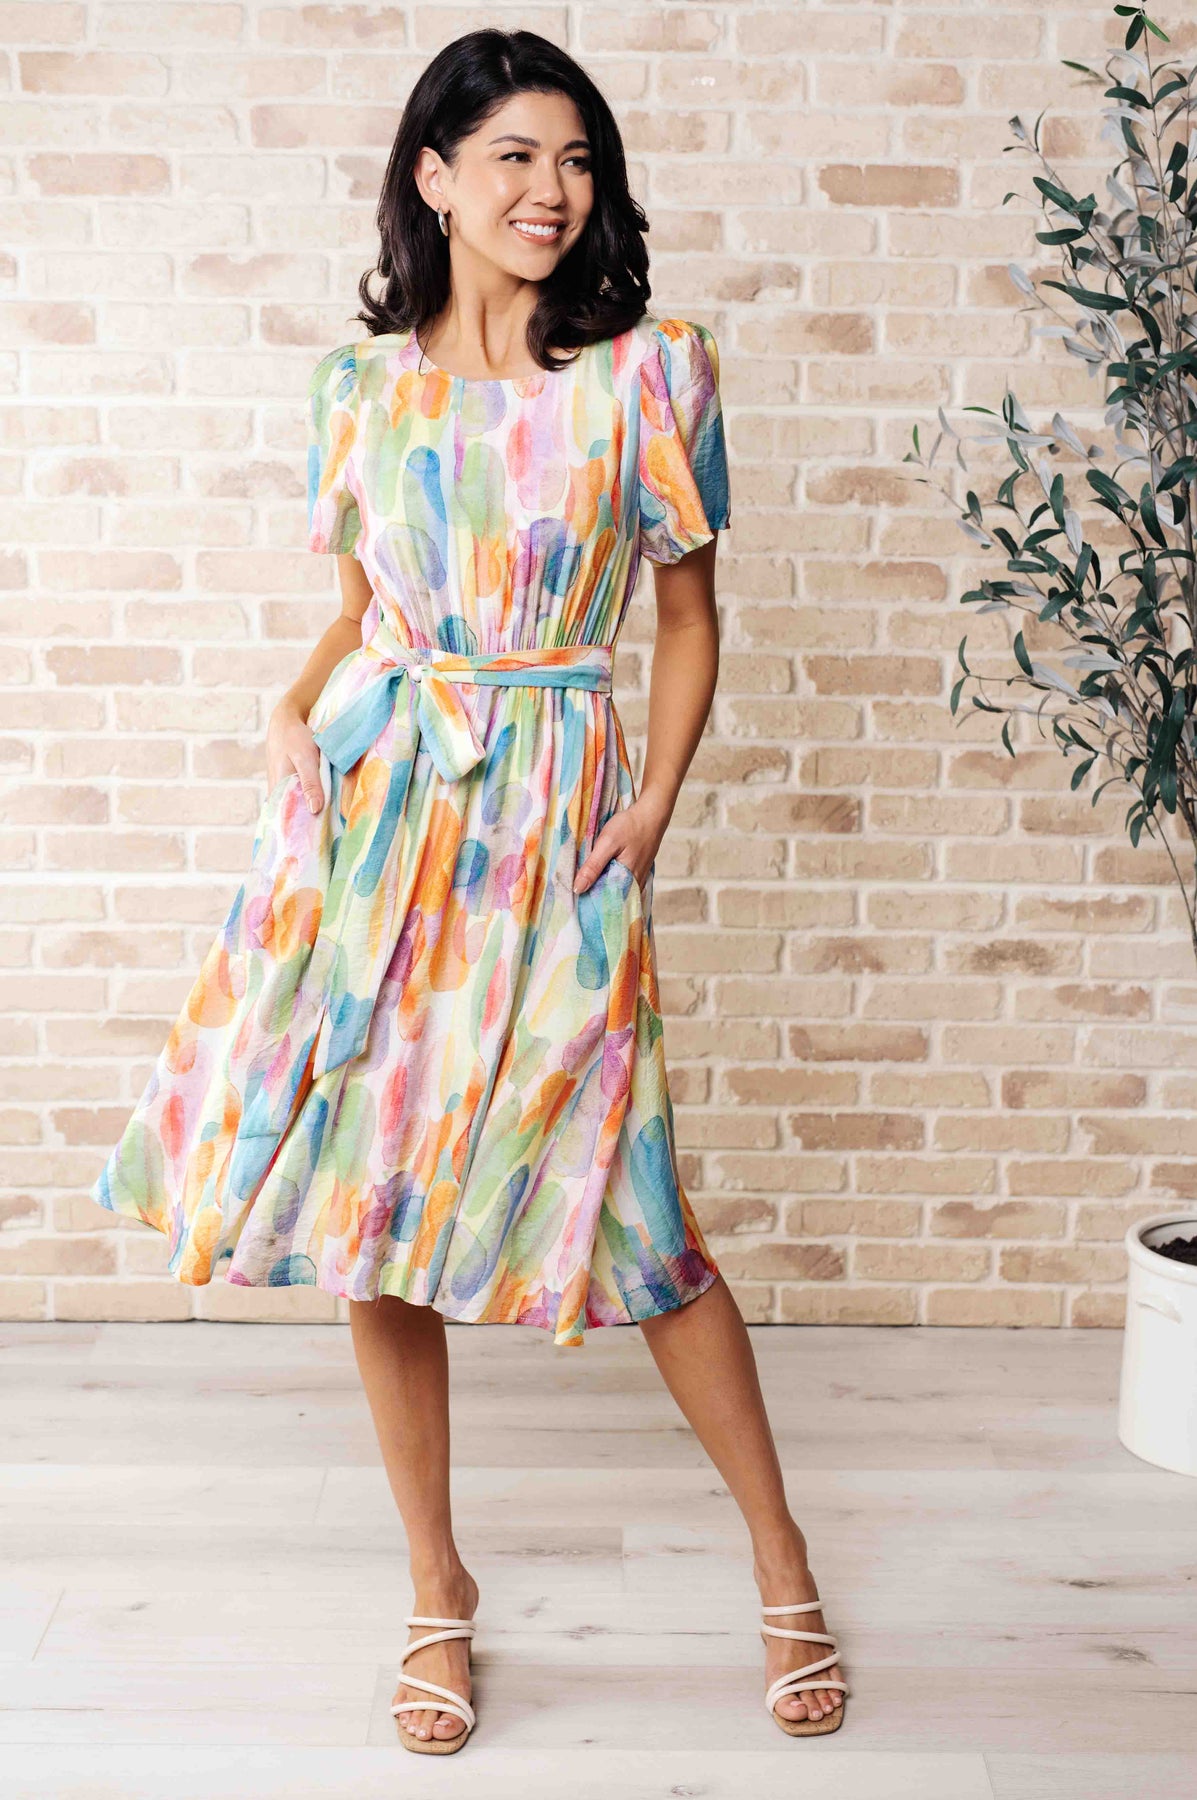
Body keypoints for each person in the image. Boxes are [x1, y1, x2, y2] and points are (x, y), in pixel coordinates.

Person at [89, 26, 848, 1754]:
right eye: (513, 156)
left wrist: (652, 807)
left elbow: (686, 618)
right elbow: (365, 617)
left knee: (638, 1211)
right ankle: (438, 1592)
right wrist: (287, 711)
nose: (550, 191)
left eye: (575, 161)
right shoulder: (358, 392)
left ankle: (782, 1561)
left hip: (560, 822)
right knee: (370, 1211)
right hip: (384, 821)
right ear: (433, 177)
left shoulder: (651, 374)